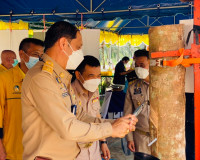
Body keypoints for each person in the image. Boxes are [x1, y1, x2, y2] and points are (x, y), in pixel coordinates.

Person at [21, 21, 138, 160]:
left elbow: (80, 115)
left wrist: (115, 123)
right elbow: (67, 127)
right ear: (63, 44)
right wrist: (110, 130)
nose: (80, 53)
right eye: (78, 47)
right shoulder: (41, 78)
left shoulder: (60, 77)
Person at [0, 38, 44, 160]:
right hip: (13, 151)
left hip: (37, 151)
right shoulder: (4, 79)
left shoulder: (41, 80)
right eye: (35, 54)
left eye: (41, 56)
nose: (39, 59)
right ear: (21, 54)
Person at [72, 55, 111, 160]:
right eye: (91, 75)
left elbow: (97, 115)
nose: (96, 80)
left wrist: (103, 142)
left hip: (94, 151)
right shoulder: (69, 93)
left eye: (98, 76)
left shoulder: (95, 91)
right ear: (78, 75)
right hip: (76, 153)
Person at [124, 49, 150, 154]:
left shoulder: (161, 84)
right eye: (136, 65)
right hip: (141, 137)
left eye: (142, 65)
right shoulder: (132, 87)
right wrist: (129, 138)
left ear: (150, 63)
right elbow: (128, 114)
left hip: (161, 137)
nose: (139, 68)